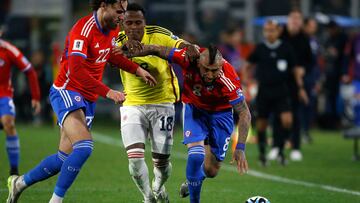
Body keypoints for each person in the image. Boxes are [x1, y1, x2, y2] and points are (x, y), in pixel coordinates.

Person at [6, 1, 156, 203]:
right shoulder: (83, 30)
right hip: (68, 91)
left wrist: (137, 70)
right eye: (119, 11)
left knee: (62, 159)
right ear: (104, 6)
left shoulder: (111, 29)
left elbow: (110, 55)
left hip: (88, 98)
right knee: (84, 146)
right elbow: (76, 72)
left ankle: (19, 183)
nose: (123, 17)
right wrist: (108, 92)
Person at [123, 44, 251, 203]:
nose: (210, 75)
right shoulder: (188, 58)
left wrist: (240, 147)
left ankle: (196, 179)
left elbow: (244, 112)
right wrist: (126, 52)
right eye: (206, 69)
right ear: (198, 63)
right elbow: (157, 50)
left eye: (215, 70)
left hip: (221, 115)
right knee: (196, 155)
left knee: (211, 170)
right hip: (194, 109)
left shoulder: (228, 78)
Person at [114, 3, 197, 203]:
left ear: (145, 23)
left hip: (163, 103)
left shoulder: (159, 34)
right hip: (132, 103)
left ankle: (158, 187)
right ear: (123, 24)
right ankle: (148, 198)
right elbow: (107, 55)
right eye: (129, 23)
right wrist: (124, 49)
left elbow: (183, 46)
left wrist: (190, 48)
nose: (133, 27)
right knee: (134, 158)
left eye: (138, 22)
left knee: (161, 164)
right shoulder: (116, 39)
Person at [244, 20, 295, 166]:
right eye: (266, 30)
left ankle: (279, 151)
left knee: (287, 121)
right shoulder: (260, 48)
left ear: (278, 31)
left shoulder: (286, 48)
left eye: (272, 30)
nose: (269, 33)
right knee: (261, 124)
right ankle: (262, 154)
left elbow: (294, 68)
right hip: (265, 91)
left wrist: (299, 84)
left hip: (281, 90)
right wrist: (247, 81)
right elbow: (247, 64)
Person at [0, 35, 41, 176]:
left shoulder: (9, 50)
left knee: (8, 124)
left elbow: (30, 70)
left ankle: (14, 170)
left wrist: (35, 97)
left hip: (3, 95)